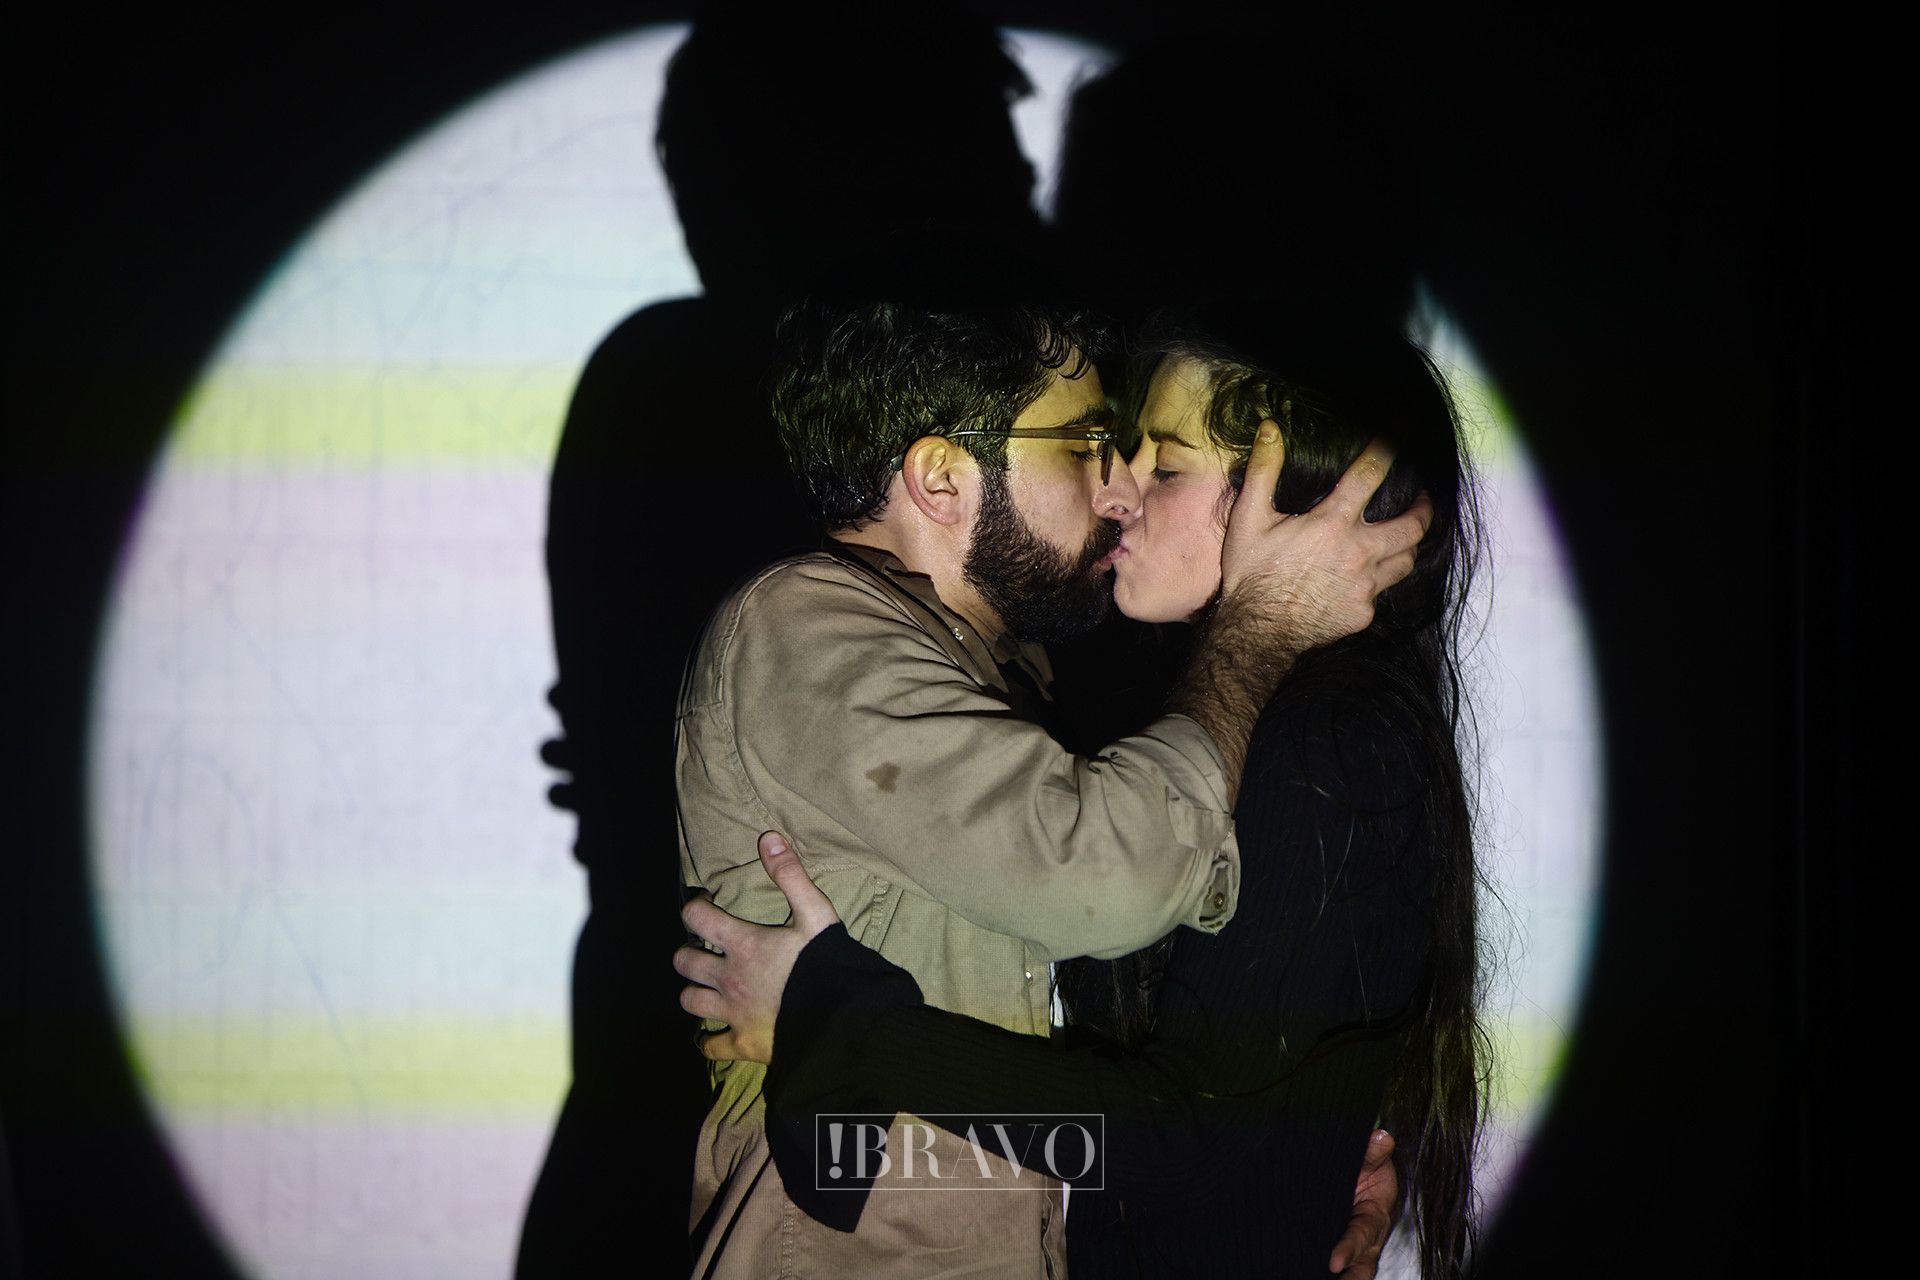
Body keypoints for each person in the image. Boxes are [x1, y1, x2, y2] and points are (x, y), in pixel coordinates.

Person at [678, 306, 1486, 1278]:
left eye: (1162, 466)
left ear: (1296, 507)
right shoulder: (825, 630)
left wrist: (844, 1029)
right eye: (1090, 448)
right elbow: (1169, 1106)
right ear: (941, 478)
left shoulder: (1321, 736)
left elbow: (1192, 1144)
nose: (1119, 491)